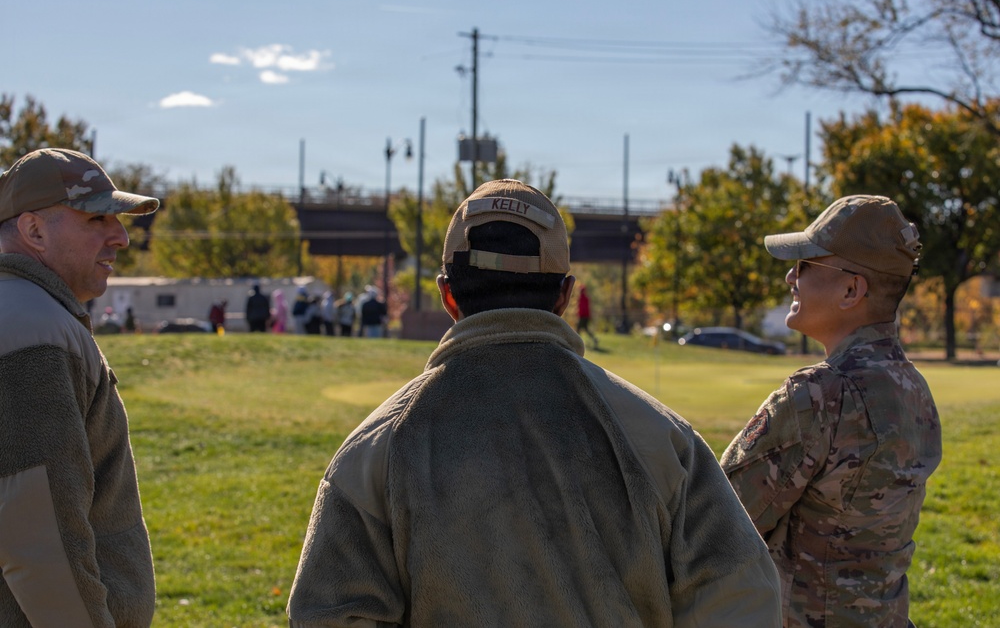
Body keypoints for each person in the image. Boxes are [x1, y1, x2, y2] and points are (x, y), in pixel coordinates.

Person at [288, 179, 781, 626]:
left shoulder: (375, 451)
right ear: (565, 295)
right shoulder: (660, 436)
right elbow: (740, 594)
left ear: (447, 296)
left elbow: (329, 615)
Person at [720, 195, 942, 627]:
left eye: (805, 265)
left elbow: (717, 524)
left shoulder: (819, 396)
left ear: (851, 289)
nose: (790, 276)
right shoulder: (915, 389)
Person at [0, 148, 157, 626]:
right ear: (33, 230)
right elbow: (41, 542)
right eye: (96, 218)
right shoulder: (33, 330)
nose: (121, 237)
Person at [576, 283, 599, 348]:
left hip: (583, 316)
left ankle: (577, 343)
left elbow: (583, 308)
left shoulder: (582, 298)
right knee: (585, 329)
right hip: (585, 316)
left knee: (578, 330)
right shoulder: (585, 298)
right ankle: (595, 339)